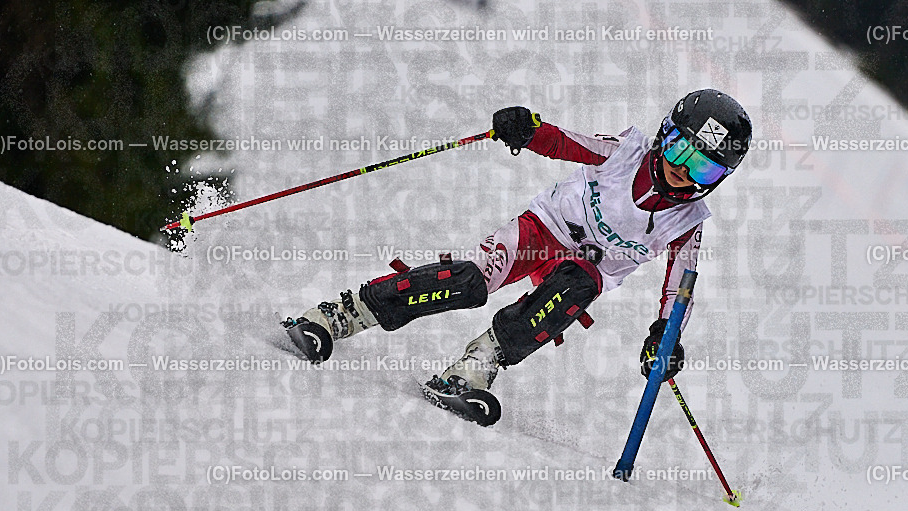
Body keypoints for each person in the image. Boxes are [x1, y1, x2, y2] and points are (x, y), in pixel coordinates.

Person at [283, 89, 752, 425]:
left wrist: (665, 337)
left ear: (720, 177)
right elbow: (569, 143)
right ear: (664, 135)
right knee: (468, 281)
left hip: (582, 271)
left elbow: (680, 288)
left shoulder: (687, 221)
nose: (682, 170)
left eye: (704, 166)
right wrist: (527, 130)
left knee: (579, 285)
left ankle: (473, 369)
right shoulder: (625, 153)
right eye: (681, 150)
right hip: (542, 231)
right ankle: (340, 315)